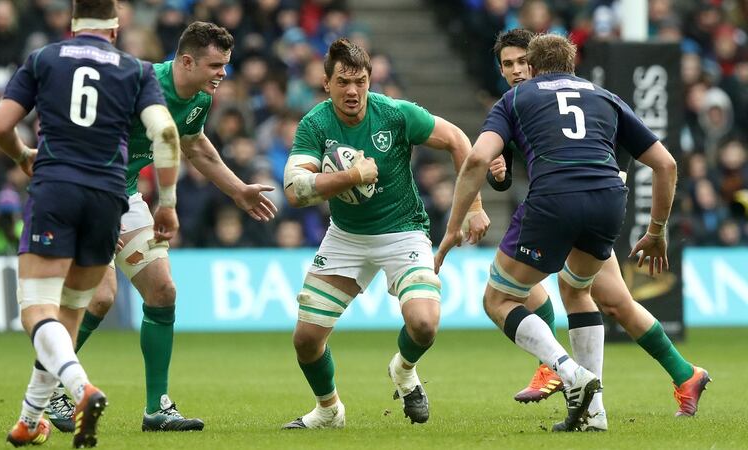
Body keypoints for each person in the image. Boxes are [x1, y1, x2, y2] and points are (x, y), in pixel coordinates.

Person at [435, 33, 685, 432]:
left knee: (499, 298)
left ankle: (568, 373)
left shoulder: (517, 98)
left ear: (532, 67)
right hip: (608, 201)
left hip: (555, 199)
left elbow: (479, 156)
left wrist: (452, 226)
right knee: (578, 290)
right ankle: (594, 413)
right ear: (572, 65)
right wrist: (656, 230)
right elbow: (666, 165)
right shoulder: (606, 97)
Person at [44, 21, 278, 433]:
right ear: (186, 61)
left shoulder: (200, 98)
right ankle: (46, 390)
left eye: (226, 64)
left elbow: (195, 145)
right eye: (215, 65)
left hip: (126, 194)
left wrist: (238, 190)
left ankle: (157, 409)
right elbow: (83, 140)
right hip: (84, 187)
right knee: (101, 297)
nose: (223, 73)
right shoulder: (133, 85)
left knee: (162, 290)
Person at [0, 0, 181, 447]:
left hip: (56, 188)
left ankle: (80, 388)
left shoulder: (44, 59)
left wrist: (21, 157)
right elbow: (167, 134)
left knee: (37, 309)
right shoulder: (136, 70)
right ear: (114, 28)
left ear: (73, 25)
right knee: (72, 311)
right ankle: (29, 419)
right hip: (109, 198)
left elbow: (0, 125)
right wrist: (166, 203)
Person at [280, 38, 483, 429]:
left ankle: (404, 371)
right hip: (345, 238)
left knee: (424, 324)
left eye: (360, 81)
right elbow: (294, 190)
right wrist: (353, 176)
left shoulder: (394, 114)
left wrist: (473, 208)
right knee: (306, 339)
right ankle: (328, 411)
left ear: (371, 80)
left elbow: (458, 140)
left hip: (403, 232)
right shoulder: (315, 124)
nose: (352, 91)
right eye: (343, 82)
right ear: (326, 84)